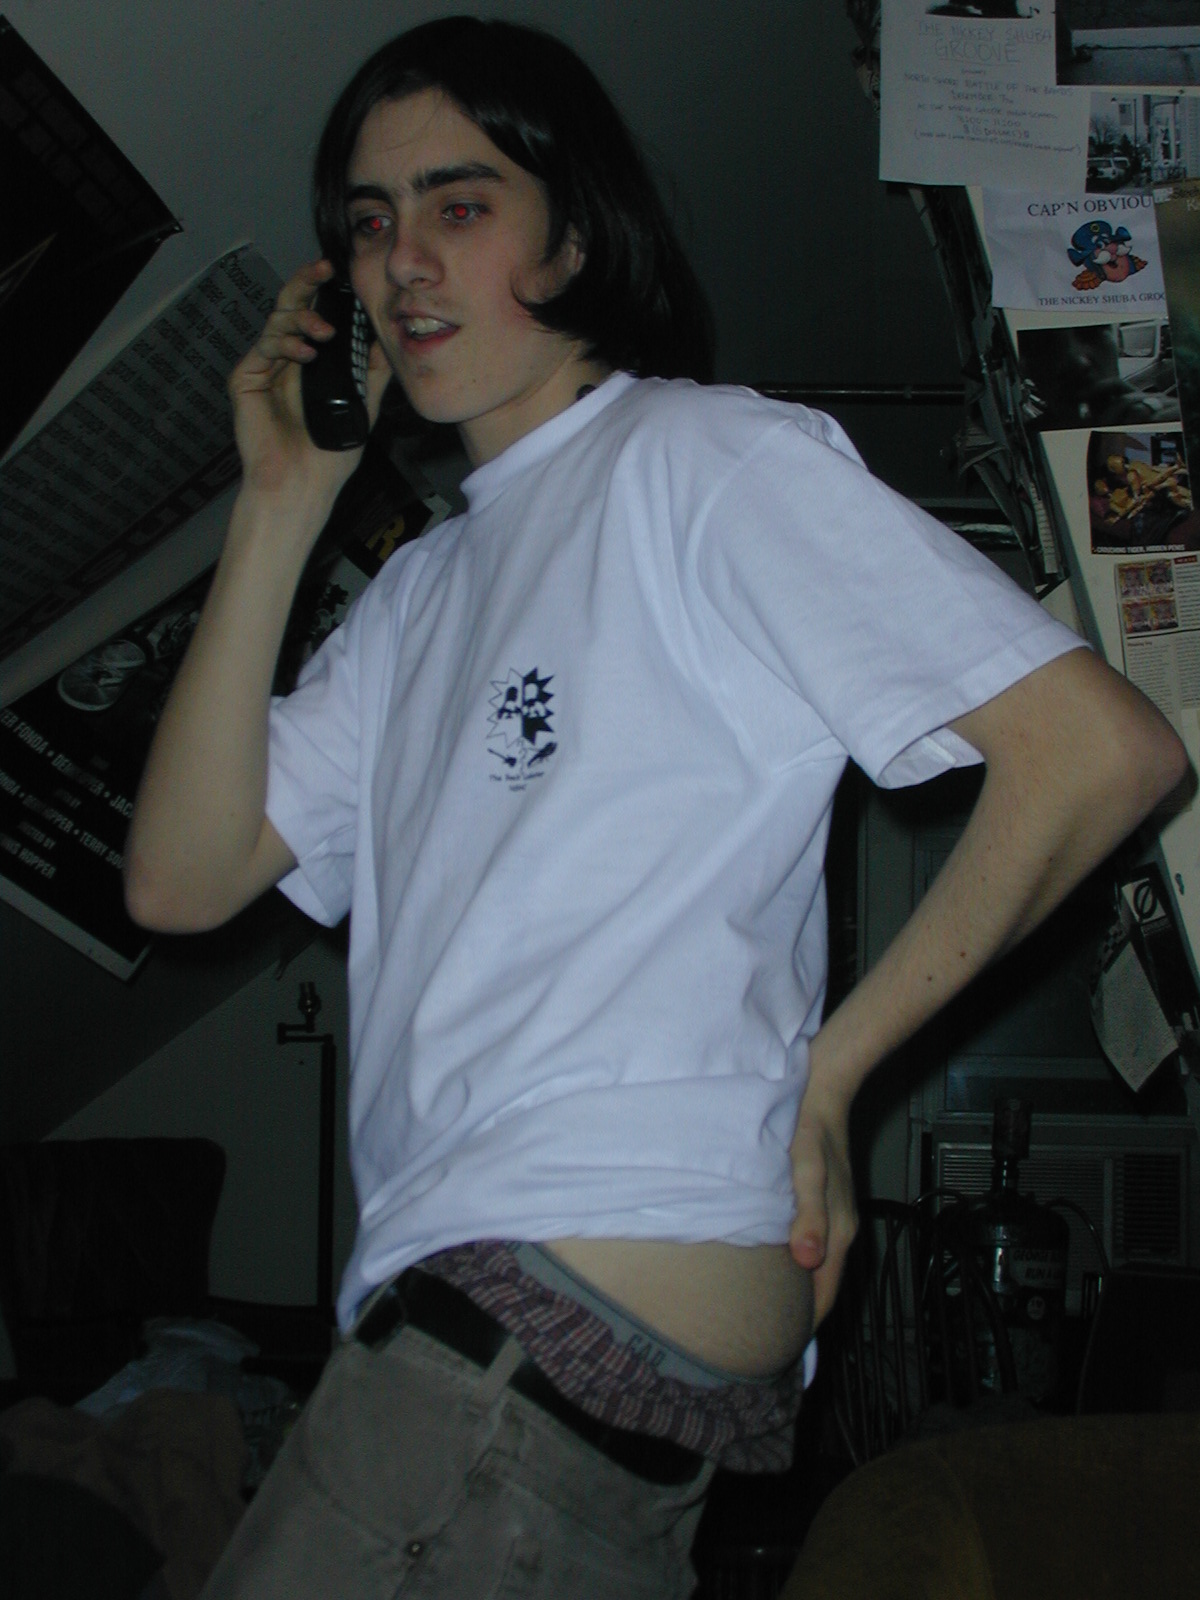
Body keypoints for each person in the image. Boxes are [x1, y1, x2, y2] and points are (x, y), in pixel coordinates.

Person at [123, 16, 1187, 1600]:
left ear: (574, 233)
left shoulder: (703, 459)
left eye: (461, 204)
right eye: (369, 220)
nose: (404, 261)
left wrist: (832, 1076)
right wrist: (281, 507)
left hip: (525, 1319)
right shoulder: (416, 595)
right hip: (497, 1351)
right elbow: (180, 880)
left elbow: (1099, 753)